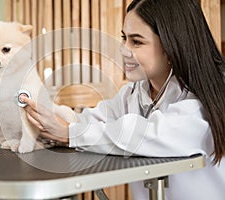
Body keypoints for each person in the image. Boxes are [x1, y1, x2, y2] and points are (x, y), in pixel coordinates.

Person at [20, 0, 225, 199]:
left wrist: (70, 133)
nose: (123, 49)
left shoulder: (208, 98)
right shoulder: (134, 93)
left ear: (172, 46)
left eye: (136, 41)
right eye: (124, 38)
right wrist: (45, 113)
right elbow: (91, 120)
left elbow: (148, 133)